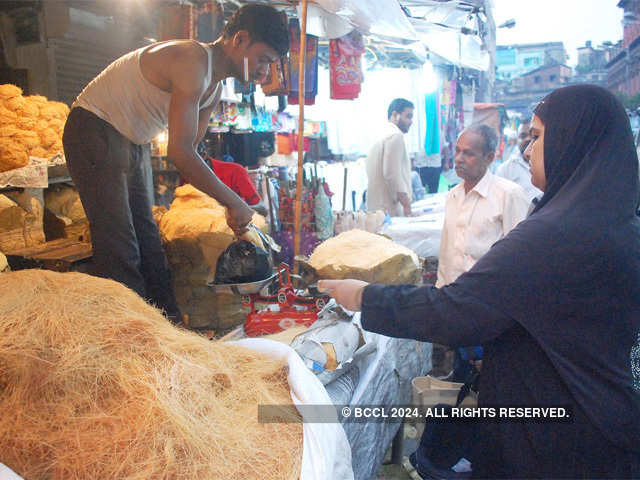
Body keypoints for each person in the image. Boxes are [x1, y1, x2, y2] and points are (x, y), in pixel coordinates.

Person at [319, 85, 640, 478]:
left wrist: (365, 296)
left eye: (537, 137)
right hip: (603, 420)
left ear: (574, 142)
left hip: (555, 436)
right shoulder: (618, 226)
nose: (526, 151)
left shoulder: (554, 236)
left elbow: (454, 310)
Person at [62, 4, 288, 322]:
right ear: (240, 39)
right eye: (263, 60)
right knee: (120, 246)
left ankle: (170, 326)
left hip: (132, 139)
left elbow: (190, 154)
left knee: (149, 240)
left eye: (271, 65)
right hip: (93, 127)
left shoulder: (214, 87)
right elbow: (180, 154)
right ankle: (135, 341)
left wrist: (229, 203)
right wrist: (234, 201)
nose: (265, 72)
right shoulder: (193, 59)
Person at [437, 124, 529, 290]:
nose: (458, 158)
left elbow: (521, 257)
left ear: (489, 158)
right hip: (452, 296)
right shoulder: (453, 196)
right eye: (457, 150)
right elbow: (446, 255)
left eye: (468, 153)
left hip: (489, 297)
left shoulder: (509, 195)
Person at [365, 98, 414, 216]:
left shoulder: (380, 133)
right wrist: (406, 205)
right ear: (395, 115)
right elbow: (392, 174)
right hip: (388, 208)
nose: (411, 121)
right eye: (408, 116)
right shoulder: (395, 136)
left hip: (376, 206)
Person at [496, 118, 543, 203]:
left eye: (533, 136)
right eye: (523, 136)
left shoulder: (547, 164)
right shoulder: (506, 169)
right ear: (517, 139)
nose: (528, 139)